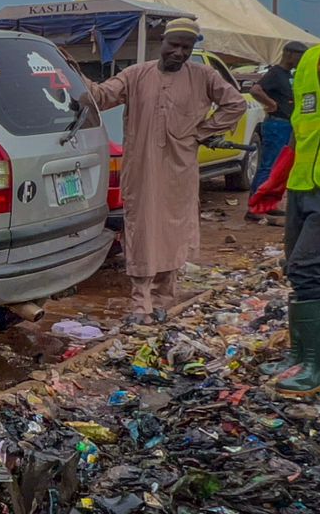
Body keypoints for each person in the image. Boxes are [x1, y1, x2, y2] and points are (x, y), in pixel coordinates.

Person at [83, 18, 245, 324]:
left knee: (173, 232)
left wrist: (203, 130)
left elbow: (235, 104)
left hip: (180, 171)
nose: (179, 53)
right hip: (142, 171)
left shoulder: (203, 76)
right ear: (163, 43)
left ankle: (162, 301)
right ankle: (139, 304)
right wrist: (73, 78)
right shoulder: (136, 74)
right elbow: (101, 97)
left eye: (186, 47)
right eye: (174, 45)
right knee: (142, 231)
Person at [251, 44, 320, 396]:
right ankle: (299, 354)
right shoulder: (309, 59)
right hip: (302, 184)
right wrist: (276, 180)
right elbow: (302, 123)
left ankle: (314, 366)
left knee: (309, 267)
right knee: (296, 267)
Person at [247, 40, 308, 222]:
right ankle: (254, 207)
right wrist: (271, 104)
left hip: (287, 125)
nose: (301, 59)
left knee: (279, 168)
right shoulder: (275, 73)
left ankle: (269, 205)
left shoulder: (289, 75)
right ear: (289, 54)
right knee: (268, 166)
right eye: (299, 55)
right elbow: (255, 90)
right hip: (276, 124)